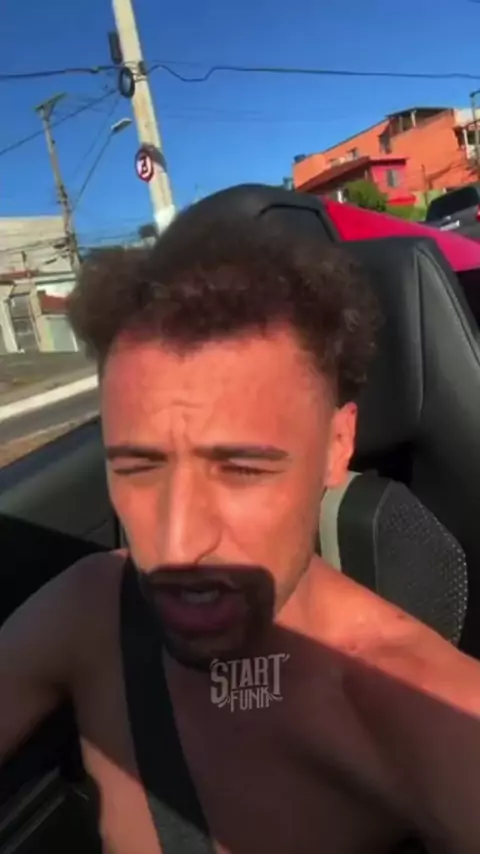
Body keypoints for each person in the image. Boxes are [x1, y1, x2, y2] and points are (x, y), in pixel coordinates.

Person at [1, 197, 480, 854]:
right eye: (138, 467)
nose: (176, 545)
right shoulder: (89, 609)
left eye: (243, 469)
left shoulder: (423, 707)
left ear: (337, 445)